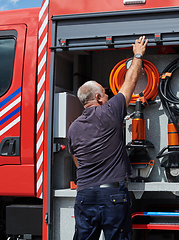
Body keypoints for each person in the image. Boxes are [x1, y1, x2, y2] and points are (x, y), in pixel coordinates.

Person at [67, 36, 148, 240]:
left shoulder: (73, 127)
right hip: (112, 195)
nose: (109, 97)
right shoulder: (110, 111)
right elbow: (130, 82)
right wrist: (138, 54)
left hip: (84, 195)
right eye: (105, 93)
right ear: (98, 98)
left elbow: (76, 159)